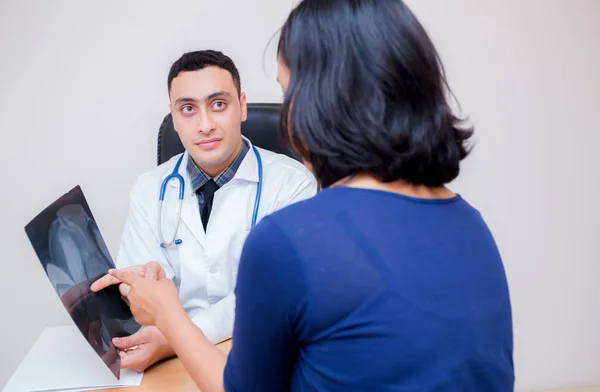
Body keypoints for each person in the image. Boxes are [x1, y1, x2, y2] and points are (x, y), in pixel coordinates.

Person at [92, 0, 515, 390]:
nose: (286, 113)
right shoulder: (471, 223)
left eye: (287, 92)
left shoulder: (294, 237)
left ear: (325, 101)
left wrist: (168, 313)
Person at [103, 50, 318, 372]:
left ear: (241, 106)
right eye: (188, 109)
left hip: (266, 353)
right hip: (171, 359)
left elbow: (276, 297)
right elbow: (139, 293)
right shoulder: (149, 189)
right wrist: (143, 300)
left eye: (218, 104)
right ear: (173, 118)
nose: (205, 125)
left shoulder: (293, 185)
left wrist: (174, 333)